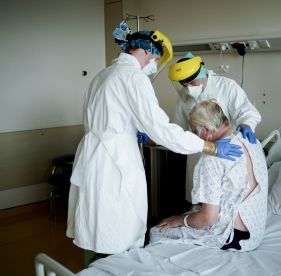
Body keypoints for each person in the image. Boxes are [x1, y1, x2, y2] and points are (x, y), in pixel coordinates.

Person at [66, 29, 243, 267]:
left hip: (93, 156)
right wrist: (208, 146)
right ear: (149, 51)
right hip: (115, 159)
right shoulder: (134, 77)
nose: (155, 64)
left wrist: (131, 129)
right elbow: (161, 128)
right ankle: (120, 269)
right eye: (157, 59)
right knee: (120, 224)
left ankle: (94, 269)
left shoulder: (102, 75)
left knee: (96, 219)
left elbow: (110, 117)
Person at [149, 100, 268, 252]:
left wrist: (179, 220)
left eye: (194, 131)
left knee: (156, 232)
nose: (194, 136)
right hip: (254, 234)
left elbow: (208, 218)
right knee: (193, 211)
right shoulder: (252, 140)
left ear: (206, 129)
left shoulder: (211, 159)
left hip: (231, 237)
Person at [168, 52, 262, 202]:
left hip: (225, 153)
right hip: (198, 154)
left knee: (223, 201)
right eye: (184, 85)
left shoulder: (226, 86)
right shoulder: (184, 95)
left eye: (192, 83)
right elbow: (178, 126)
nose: (189, 88)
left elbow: (247, 111)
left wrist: (246, 125)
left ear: (202, 72)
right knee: (199, 202)